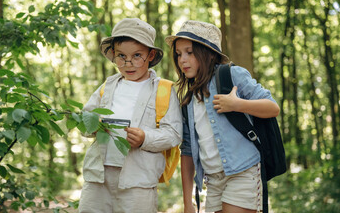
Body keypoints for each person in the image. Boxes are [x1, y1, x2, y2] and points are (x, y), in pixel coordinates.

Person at [165, 20, 280, 213]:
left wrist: (237, 104)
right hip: (213, 180)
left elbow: (272, 107)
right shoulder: (188, 99)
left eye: (189, 52)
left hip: (243, 171)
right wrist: (188, 203)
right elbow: (187, 151)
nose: (182, 60)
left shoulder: (232, 75)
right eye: (178, 54)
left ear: (209, 54)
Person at [78, 18, 182, 213]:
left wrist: (145, 138)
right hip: (98, 177)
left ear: (150, 55)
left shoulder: (164, 90)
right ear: (113, 55)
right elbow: (84, 118)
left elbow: (174, 134)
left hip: (138, 181)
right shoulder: (107, 86)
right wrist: (94, 124)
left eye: (136, 55)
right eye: (121, 56)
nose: (128, 63)